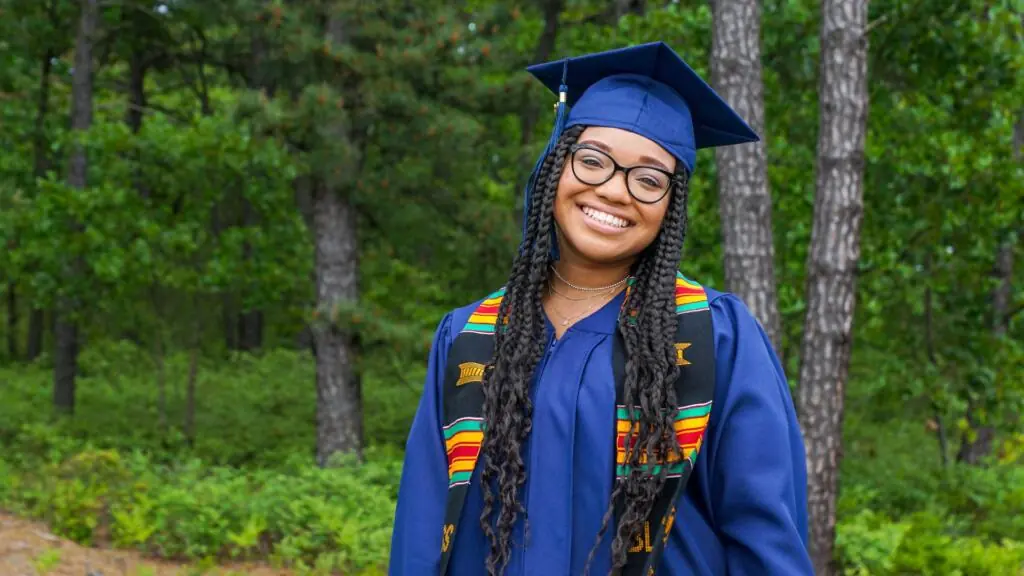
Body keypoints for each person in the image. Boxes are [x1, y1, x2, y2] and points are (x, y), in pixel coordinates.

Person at [389, 42, 813, 576]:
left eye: (649, 179)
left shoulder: (714, 337)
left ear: (671, 206)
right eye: (592, 161)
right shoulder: (473, 335)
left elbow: (763, 534)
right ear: (555, 167)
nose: (614, 190)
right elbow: (423, 529)